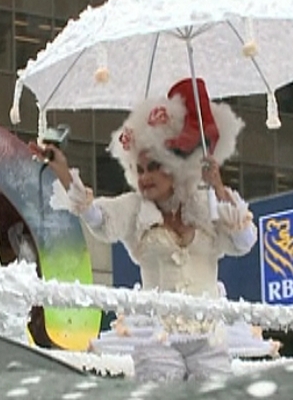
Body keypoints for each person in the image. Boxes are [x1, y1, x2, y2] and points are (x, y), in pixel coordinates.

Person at [29, 77, 258, 383]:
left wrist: (217, 186)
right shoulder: (135, 208)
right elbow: (97, 218)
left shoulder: (204, 205)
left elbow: (243, 242)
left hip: (209, 335)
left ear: (175, 167)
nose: (145, 177)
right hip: (157, 336)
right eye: (139, 169)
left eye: (153, 167)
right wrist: (63, 171)